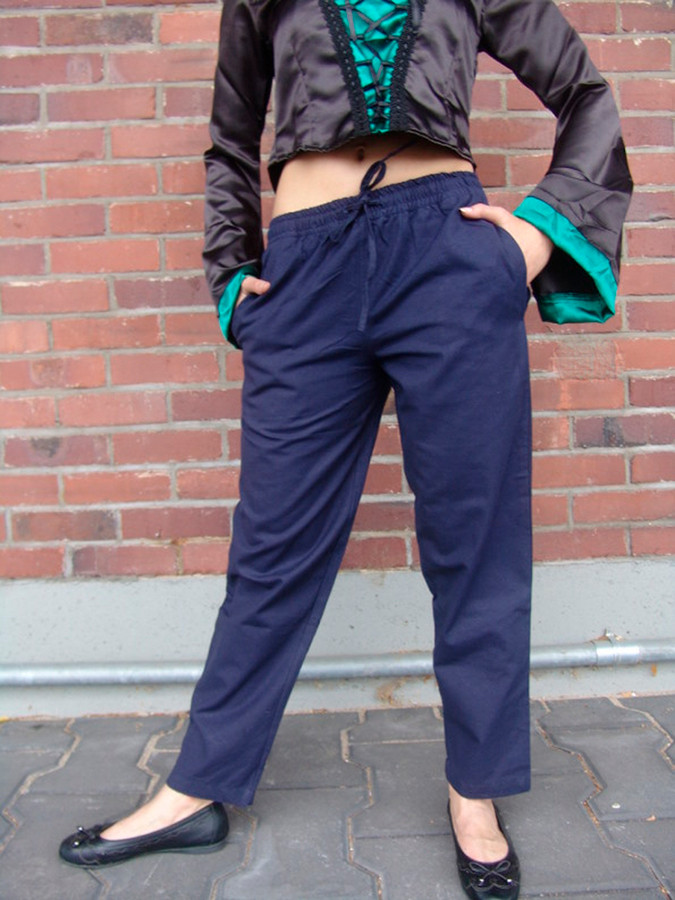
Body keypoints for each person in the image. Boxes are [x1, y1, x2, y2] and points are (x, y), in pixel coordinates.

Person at [59, 0, 632, 895]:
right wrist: (231, 275)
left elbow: (586, 94)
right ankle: (195, 788)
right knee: (271, 545)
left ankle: (474, 794)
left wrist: (534, 231)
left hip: (446, 258)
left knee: (475, 541)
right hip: (304, 268)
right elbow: (229, 139)